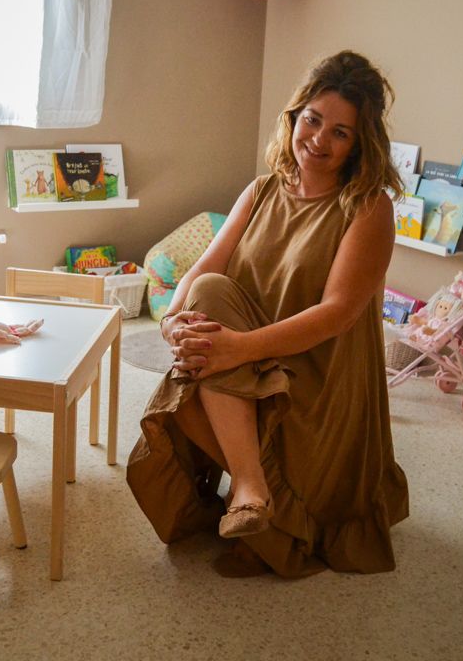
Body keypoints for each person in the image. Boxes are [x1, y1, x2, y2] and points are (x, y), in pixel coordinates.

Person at [126, 50, 410, 578]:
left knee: (202, 365)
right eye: (313, 120)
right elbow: (199, 272)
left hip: (318, 370)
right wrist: (170, 320)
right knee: (198, 329)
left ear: (359, 144)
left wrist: (240, 347)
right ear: (294, 118)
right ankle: (253, 487)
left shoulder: (368, 206)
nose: (319, 141)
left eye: (341, 133)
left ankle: (261, 500)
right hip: (250, 355)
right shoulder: (260, 191)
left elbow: (337, 314)